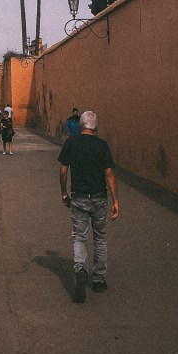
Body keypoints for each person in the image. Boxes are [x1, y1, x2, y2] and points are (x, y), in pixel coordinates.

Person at [58, 110, 119, 303]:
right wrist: (115, 199)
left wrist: (63, 192)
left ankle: (80, 269)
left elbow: (63, 169)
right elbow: (109, 173)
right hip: (99, 198)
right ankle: (99, 279)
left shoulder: (71, 143)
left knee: (79, 236)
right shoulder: (102, 145)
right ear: (95, 127)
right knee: (100, 238)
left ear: (81, 125)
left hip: (79, 197)